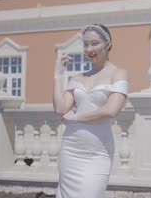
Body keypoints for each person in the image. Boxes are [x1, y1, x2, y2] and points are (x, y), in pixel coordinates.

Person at [53, 24, 129, 198]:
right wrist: (57, 76)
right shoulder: (77, 77)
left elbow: (110, 110)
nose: (89, 49)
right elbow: (60, 108)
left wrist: (75, 118)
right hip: (70, 151)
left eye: (94, 43)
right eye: (86, 45)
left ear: (108, 44)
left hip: (98, 154)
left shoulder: (119, 74)